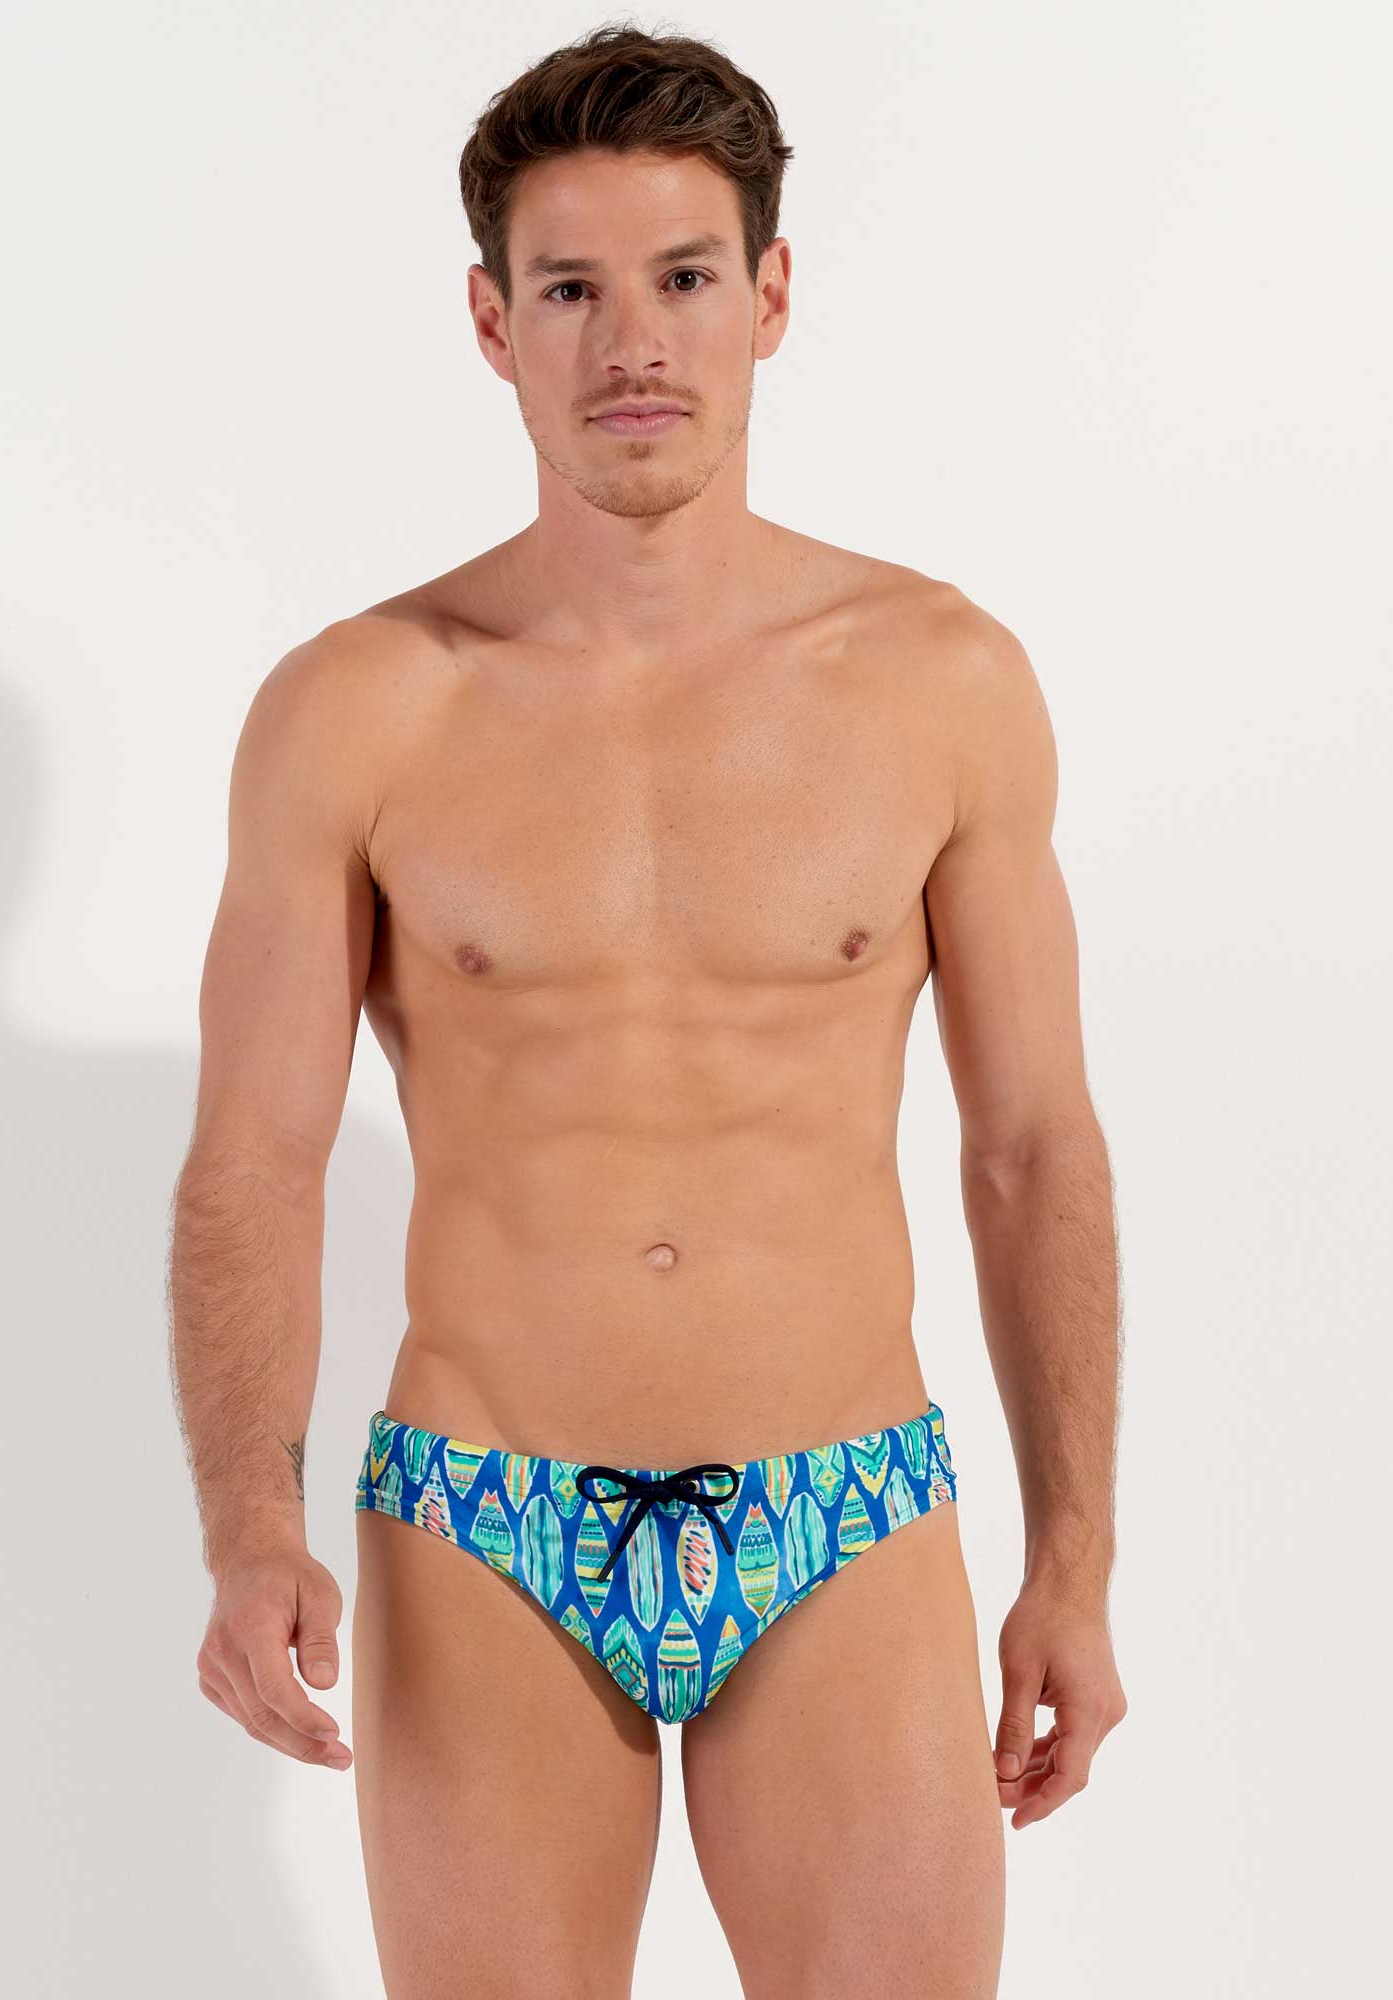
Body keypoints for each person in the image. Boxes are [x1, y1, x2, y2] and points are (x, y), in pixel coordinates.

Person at [168, 21, 1127, 1996]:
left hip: (842, 1504)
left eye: (684, 277)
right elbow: (253, 1158)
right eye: (570, 289)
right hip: (483, 1516)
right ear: (490, 322)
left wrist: (1075, 1559)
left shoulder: (940, 683)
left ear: (769, 297)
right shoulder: (360, 708)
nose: (633, 344)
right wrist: (249, 1532)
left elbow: (1032, 1145)